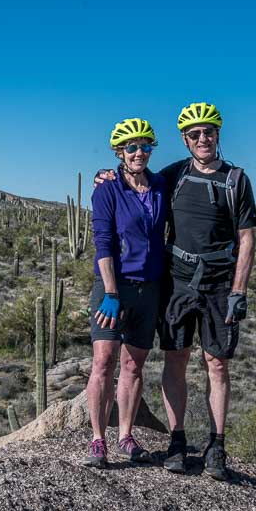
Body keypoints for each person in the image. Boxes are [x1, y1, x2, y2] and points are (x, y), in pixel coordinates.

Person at [95, 102, 256, 480]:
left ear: (218, 135)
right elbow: (132, 180)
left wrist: (239, 289)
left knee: (216, 363)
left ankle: (217, 445)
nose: (203, 139)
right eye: (195, 134)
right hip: (178, 281)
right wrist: (107, 175)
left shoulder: (236, 179)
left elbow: (247, 238)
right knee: (176, 359)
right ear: (185, 140)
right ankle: (178, 440)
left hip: (219, 283)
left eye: (209, 132)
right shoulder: (173, 176)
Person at [84, 117, 168, 468]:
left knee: (134, 365)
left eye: (145, 146)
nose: (138, 153)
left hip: (148, 289)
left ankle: (126, 435)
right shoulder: (107, 189)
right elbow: (103, 242)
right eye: (131, 147)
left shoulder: (162, 184)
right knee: (103, 361)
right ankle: (98, 439)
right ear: (120, 151)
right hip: (113, 289)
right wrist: (111, 291)